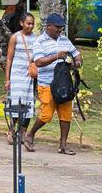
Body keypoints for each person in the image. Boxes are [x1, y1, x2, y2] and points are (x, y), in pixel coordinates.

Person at [25, 12, 83, 155]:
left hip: (63, 83)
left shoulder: (64, 40)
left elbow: (76, 53)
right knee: (46, 115)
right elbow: (38, 62)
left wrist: (77, 61)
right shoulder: (39, 41)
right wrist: (56, 56)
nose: (59, 30)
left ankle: (63, 145)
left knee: (65, 114)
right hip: (47, 84)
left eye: (61, 27)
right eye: (57, 27)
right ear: (48, 26)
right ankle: (30, 134)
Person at [3, 11, 37, 144]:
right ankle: (11, 131)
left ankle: (23, 131)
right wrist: (7, 79)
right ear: (22, 23)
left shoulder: (36, 38)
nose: (30, 26)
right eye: (28, 23)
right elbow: (9, 59)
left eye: (32, 24)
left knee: (28, 104)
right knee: (16, 103)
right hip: (16, 75)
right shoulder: (15, 37)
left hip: (29, 75)